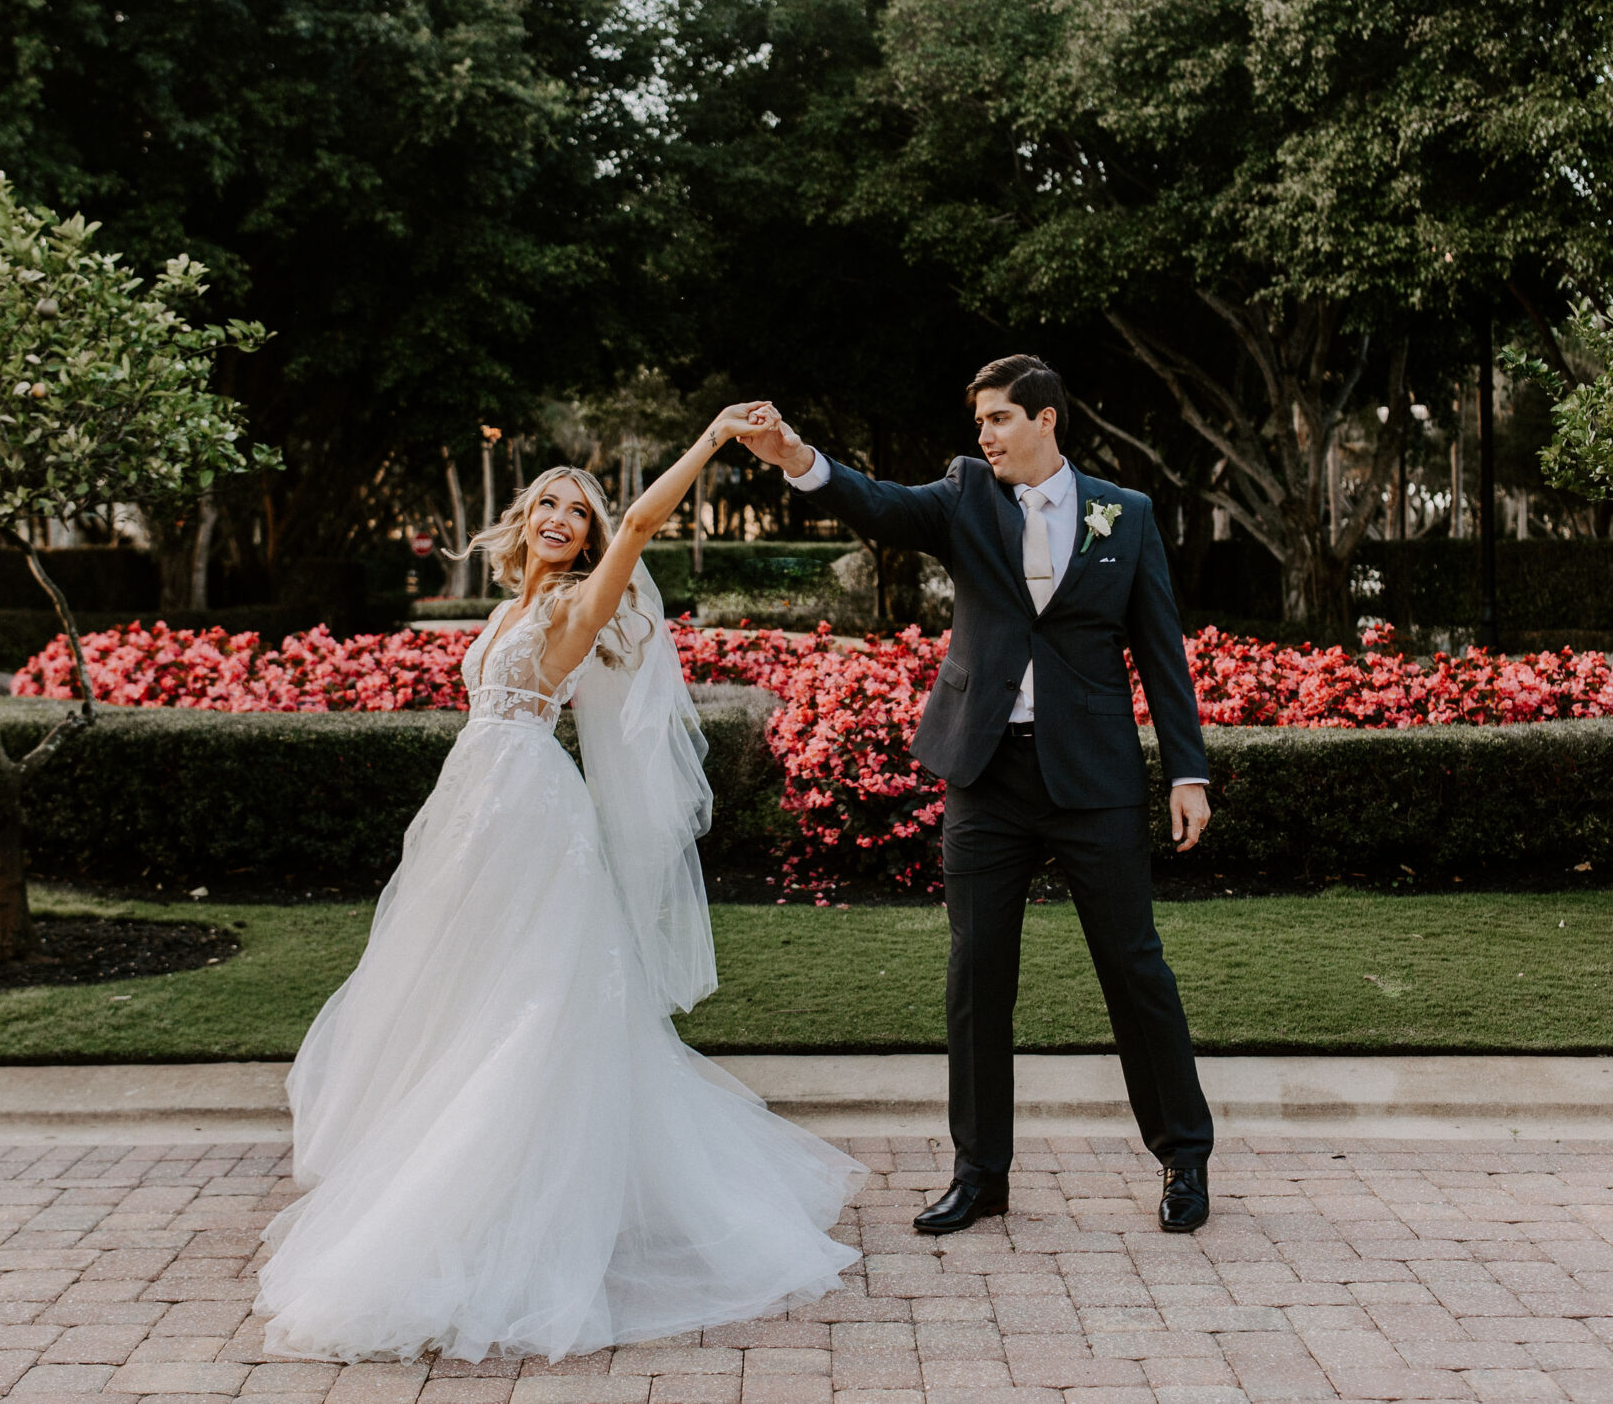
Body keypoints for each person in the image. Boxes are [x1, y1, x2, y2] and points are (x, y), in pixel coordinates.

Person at [257, 403, 863, 1364]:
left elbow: (638, 526)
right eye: (547, 501)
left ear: (586, 536)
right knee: (457, 999)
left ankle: (496, 1206)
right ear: (523, 516)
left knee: (531, 1007)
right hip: (470, 811)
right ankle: (464, 1191)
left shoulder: (578, 608)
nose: (559, 517)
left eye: (575, 512)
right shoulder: (501, 609)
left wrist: (708, 441)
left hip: (534, 812)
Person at [739, 355, 1216, 1235]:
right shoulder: (963, 494)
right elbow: (875, 501)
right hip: (985, 774)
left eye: (999, 418)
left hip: (1095, 780)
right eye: (981, 422)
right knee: (976, 974)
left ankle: (1184, 1159)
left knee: (1135, 966)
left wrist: (1187, 771)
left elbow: (1161, 653)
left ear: (1046, 421)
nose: (985, 435)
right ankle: (980, 1172)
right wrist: (794, 455)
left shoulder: (1128, 514)